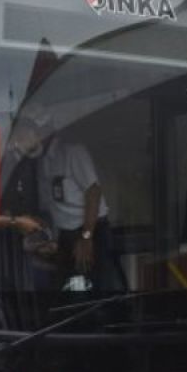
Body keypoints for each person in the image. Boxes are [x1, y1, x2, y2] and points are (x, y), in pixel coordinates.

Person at [7, 115, 117, 291]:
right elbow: (50, 205)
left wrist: (86, 238)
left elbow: (93, 192)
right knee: (65, 291)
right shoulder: (40, 161)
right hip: (63, 236)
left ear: (42, 132)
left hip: (90, 232)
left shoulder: (72, 152)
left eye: (24, 135)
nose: (22, 142)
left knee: (95, 290)